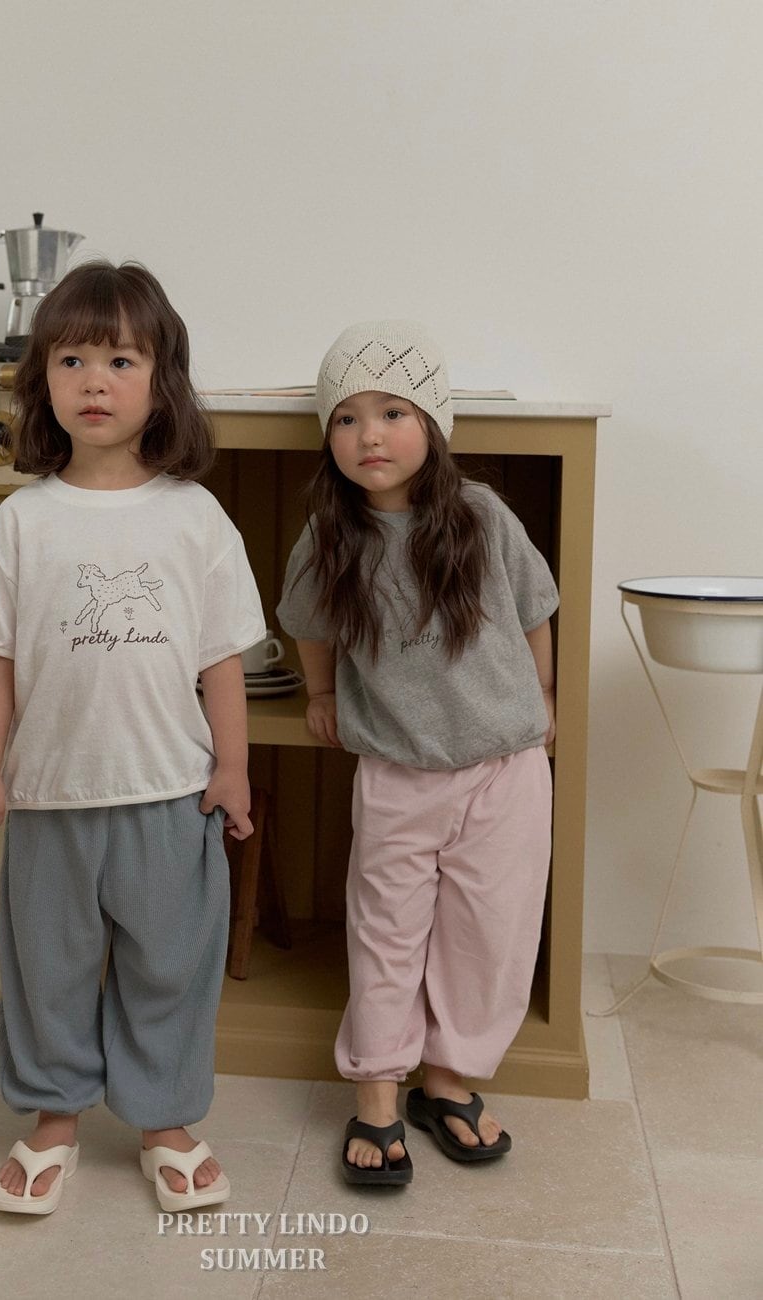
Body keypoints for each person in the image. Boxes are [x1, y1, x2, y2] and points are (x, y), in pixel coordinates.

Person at [0, 261, 265, 1215]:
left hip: (170, 792)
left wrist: (234, 767)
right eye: (72, 360)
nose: (94, 381)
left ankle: (165, 1122)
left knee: (171, 965)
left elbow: (221, 659)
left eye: (121, 361)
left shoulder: (194, 517)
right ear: (42, 380)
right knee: (47, 969)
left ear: (162, 382)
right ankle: (55, 1118)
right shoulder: (22, 521)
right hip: (50, 797)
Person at [277, 321, 557, 1184]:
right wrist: (321, 694)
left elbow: (534, 611)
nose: (370, 434)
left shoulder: (481, 516)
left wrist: (543, 699)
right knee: (386, 933)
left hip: (504, 768)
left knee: (490, 932)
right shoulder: (330, 537)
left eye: (393, 412)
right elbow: (309, 627)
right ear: (329, 436)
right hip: (398, 773)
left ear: (432, 424)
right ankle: (377, 1092)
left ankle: (449, 1080)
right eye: (347, 417)